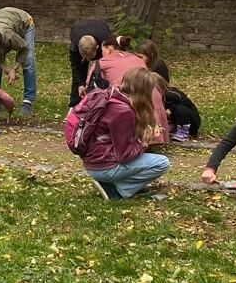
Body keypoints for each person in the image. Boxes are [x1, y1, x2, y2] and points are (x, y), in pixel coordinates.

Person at [66, 66, 169, 200]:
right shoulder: (123, 112)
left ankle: (117, 184)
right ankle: (118, 190)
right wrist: (144, 140)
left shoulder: (114, 95)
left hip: (94, 160)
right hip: (103, 165)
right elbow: (124, 155)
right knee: (162, 163)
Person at [87, 36, 168, 142]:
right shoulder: (136, 59)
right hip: (152, 98)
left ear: (109, 49)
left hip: (131, 100)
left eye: (102, 51)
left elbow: (91, 92)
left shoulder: (102, 62)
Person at [0, 6, 36, 117]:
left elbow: (24, 48)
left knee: (28, 61)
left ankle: (28, 101)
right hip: (2, 18)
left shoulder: (9, 37)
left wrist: (14, 69)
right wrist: (5, 68)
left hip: (25, 22)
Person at [68, 18, 112, 108]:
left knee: (102, 74)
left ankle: (103, 100)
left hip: (101, 29)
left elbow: (110, 63)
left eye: (90, 57)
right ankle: (74, 104)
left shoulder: (106, 42)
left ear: (97, 47)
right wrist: (80, 84)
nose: (88, 60)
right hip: (79, 28)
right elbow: (75, 66)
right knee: (80, 70)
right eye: (85, 57)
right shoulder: (75, 45)